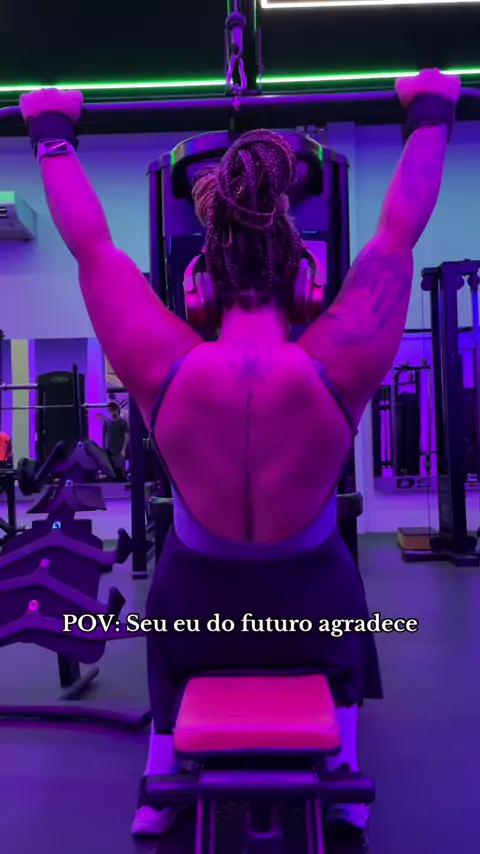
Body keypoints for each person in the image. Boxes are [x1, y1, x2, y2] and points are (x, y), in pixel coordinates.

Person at [19, 68, 460, 846]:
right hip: (314, 607)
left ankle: (161, 778)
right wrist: (431, 115)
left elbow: (90, 247)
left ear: (195, 286)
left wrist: (51, 134)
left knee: (172, 606)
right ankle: (343, 772)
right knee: (345, 603)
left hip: (197, 610)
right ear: (308, 278)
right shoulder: (337, 365)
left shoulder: (163, 366)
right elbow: (399, 234)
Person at [97, 400, 129, 476]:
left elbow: (127, 436)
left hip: (119, 450)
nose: (112, 412)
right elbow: (105, 435)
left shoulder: (123, 422)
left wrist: (123, 450)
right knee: (111, 471)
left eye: (114, 409)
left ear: (118, 409)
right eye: (110, 410)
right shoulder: (108, 421)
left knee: (119, 470)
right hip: (109, 450)